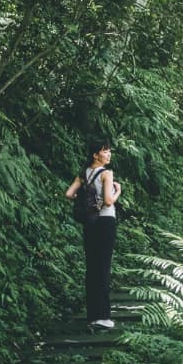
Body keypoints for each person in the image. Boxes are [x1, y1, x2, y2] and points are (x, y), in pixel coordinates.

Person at [64, 141, 122, 329]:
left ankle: (92, 315)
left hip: (90, 223)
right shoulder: (107, 173)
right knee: (103, 267)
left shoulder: (84, 174)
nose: (109, 154)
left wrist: (87, 202)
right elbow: (108, 201)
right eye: (105, 151)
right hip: (105, 222)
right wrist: (118, 191)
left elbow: (69, 194)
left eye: (109, 151)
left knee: (92, 267)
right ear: (95, 155)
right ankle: (103, 317)